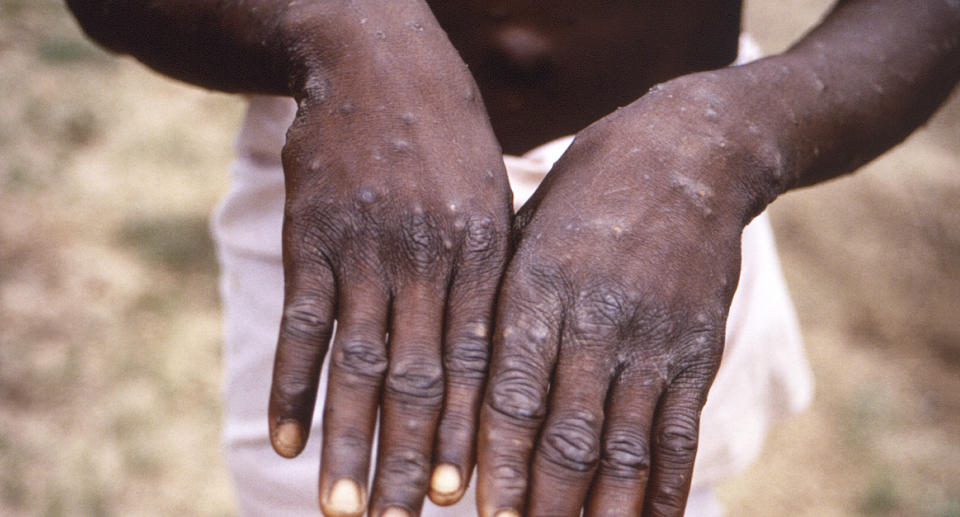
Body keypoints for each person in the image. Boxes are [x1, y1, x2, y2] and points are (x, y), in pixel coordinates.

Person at [65, 1, 959, 516]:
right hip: (358, 178)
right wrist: (335, 25)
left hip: (670, 214)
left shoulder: (705, 165)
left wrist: (729, 141)